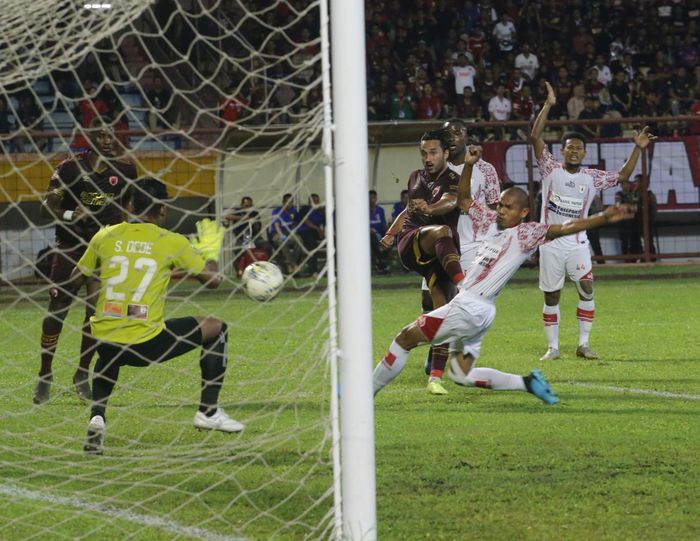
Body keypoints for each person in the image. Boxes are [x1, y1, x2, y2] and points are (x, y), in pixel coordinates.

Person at [373, 146, 637, 402]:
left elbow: (565, 227)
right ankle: (528, 382)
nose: (501, 209)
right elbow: (464, 199)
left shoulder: (525, 233)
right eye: (500, 204)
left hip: (470, 306)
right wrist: (468, 165)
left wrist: (602, 217)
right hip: (479, 310)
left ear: (523, 213)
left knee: (404, 338)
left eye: (508, 207)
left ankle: (364, 395)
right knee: (460, 374)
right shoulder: (489, 220)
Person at [68, 179, 243, 455]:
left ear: (127, 206)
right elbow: (214, 280)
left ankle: (97, 416)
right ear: (162, 210)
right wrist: (209, 253)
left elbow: (75, 279)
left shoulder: (104, 236)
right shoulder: (172, 241)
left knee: (109, 355)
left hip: (103, 335)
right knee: (216, 327)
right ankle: (208, 411)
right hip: (146, 342)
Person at [531, 81, 656, 361]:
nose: (574, 151)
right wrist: (549, 104)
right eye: (569, 147)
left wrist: (637, 148)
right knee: (551, 297)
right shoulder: (549, 168)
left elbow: (622, 176)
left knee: (586, 290)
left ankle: (583, 344)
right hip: (550, 244)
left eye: (578, 148)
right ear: (561, 151)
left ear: (584, 153)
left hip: (577, 245)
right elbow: (535, 136)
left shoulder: (592, 177)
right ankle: (552, 348)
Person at [34, 120, 137, 404]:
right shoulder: (69, 168)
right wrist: (69, 214)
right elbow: (46, 206)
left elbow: (128, 208)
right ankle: (45, 374)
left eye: (110, 135)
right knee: (57, 309)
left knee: (96, 313)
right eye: (100, 135)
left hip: (105, 249)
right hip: (71, 248)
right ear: (88, 139)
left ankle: (82, 374)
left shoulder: (126, 169)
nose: (106, 140)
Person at [380, 129, 464, 395]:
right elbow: (410, 210)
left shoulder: (454, 179)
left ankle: (435, 378)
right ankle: (466, 284)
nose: (427, 158)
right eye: (424, 153)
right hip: (412, 242)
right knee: (442, 231)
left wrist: (431, 208)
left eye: (433, 152)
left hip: (439, 255)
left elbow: (451, 202)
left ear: (446, 153)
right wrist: (392, 233)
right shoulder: (416, 177)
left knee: (443, 314)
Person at [269, 193, 302, 275]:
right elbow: (277, 226)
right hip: (277, 233)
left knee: (300, 240)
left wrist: (294, 230)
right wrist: (281, 235)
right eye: (289, 202)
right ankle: (293, 265)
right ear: (284, 202)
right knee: (282, 242)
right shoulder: (276, 211)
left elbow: (296, 222)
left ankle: (291, 262)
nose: (291, 204)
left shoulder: (293, 211)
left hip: (289, 233)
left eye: (292, 202)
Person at [298, 193, 325, 276]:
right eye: (314, 200)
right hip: (305, 231)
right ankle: (313, 271)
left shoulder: (321, 211)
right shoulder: (305, 209)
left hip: (316, 232)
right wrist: (318, 230)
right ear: (310, 201)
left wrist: (323, 231)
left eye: (317, 200)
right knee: (312, 247)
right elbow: (306, 222)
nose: (316, 202)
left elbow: (324, 223)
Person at [369, 190, 389, 274]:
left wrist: (389, 233)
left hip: (380, 235)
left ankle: (380, 262)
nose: (372, 200)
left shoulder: (380, 210)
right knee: (372, 237)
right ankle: (382, 263)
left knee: (391, 238)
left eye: (373, 198)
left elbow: (384, 225)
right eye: (370, 198)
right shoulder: (362, 210)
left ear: (376, 198)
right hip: (368, 237)